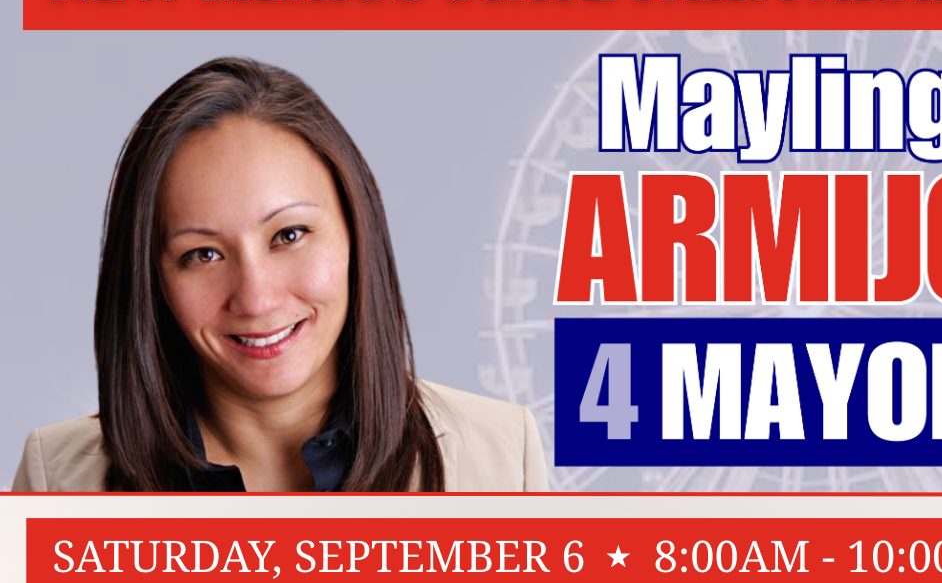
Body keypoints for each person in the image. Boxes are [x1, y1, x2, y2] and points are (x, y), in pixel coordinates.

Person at [13, 57, 547, 492]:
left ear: (358, 234)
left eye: (288, 235)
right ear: (152, 280)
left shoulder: (500, 461)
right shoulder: (59, 479)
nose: (256, 297)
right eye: (202, 254)